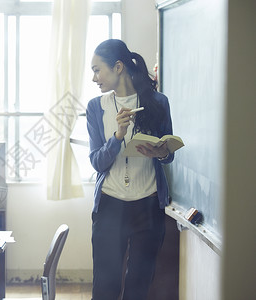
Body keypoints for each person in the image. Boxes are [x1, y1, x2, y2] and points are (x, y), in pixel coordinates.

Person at [87, 39, 174, 300]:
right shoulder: (96, 107)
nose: (94, 78)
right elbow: (97, 162)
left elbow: (167, 154)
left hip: (148, 206)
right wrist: (118, 136)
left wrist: (162, 152)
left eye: (96, 69)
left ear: (118, 67)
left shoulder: (158, 102)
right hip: (110, 205)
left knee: (139, 286)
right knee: (105, 286)